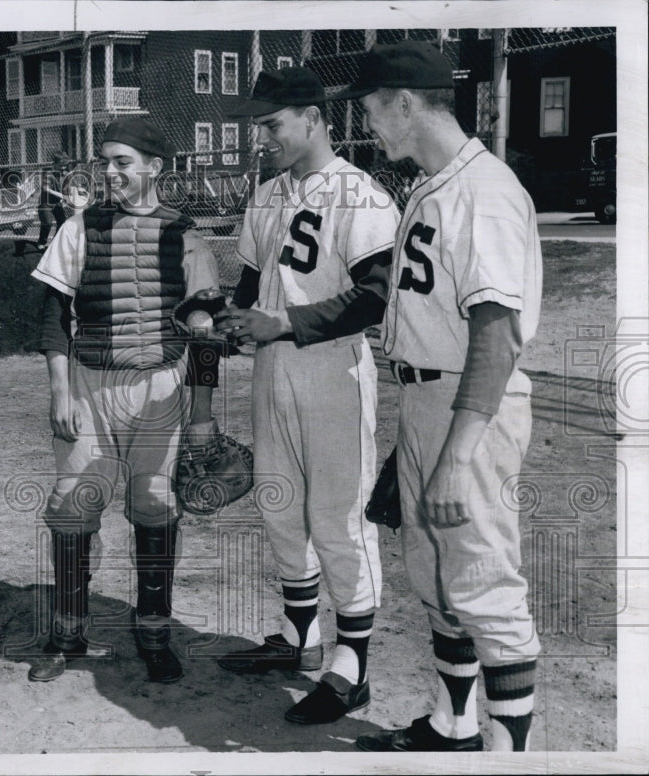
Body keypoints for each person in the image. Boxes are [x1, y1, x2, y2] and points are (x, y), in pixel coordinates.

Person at [335, 41, 542, 752]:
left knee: (485, 584)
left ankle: (504, 756)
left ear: (404, 102)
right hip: (428, 401)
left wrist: (456, 457)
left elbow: (496, 334)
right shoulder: (434, 182)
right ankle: (452, 727)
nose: (368, 127)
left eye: (369, 110)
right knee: (437, 578)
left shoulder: (484, 191)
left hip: (471, 409)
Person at [213, 67, 399, 725]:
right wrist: (219, 321)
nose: (261, 137)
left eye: (272, 124)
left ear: (316, 117)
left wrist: (282, 323)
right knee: (278, 504)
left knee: (339, 517)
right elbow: (251, 286)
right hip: (273, 369)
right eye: (258, 125)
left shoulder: (361, 194)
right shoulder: (266, 196)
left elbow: (374, 296)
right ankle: (299, 637)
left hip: (333, 374)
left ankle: (352, 665)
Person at [28, 116, 222, 684]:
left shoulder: (185, 235)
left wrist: (204, 416)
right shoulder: (79, 228)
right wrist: (59, 391)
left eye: (122, 162)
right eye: (105, 162)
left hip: (159, 387)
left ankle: (155, 629)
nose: (110, 172)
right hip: (90, 386)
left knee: (156, 508)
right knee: (72, 506)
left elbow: (206, 336)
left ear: (154, 168)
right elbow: (52, 316)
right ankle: (67, 631)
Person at [36, 151, 69, 248]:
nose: (63, 168)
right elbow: (45, 189)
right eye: (61, 165)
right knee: (47, 223)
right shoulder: (48, 174)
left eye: (65, 165)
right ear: (55, 164)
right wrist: (60, 195)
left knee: (62, 222)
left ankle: (55, 243)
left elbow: (67, 190)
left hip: (57, 203)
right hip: (46, 203)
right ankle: (41, 242)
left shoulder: (65, 174)